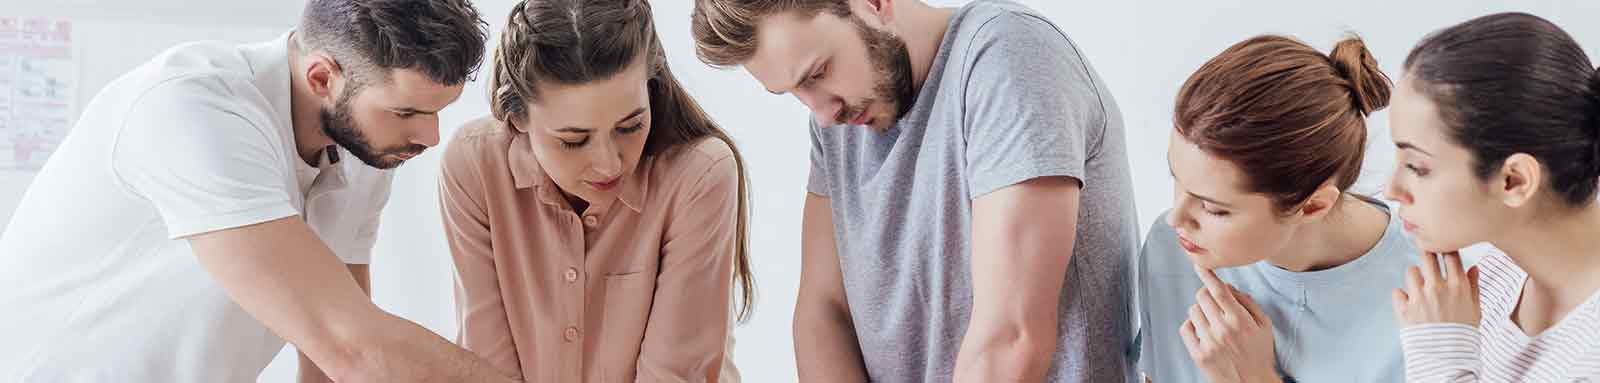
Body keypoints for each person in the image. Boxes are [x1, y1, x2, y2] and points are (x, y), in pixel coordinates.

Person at [0, 1, 521, 382]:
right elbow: (353, 346)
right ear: (322, 77)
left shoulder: (364, 145)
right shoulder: (191, 109)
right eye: (406, 112)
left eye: (436, 113)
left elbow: (335, 341)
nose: (429, 138)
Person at [691, 0, 1139, 381]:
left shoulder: (1007, 57)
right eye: (793, 92)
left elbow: (1011, 339)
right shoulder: (837, 125)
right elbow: (824, 313)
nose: (822, 112)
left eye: (817, 72)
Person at [439, 0, 754, 382]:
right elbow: (487, 366)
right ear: (517, 117)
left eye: (630, 127)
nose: (609, 164)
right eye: (573, 140)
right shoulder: (475, 164)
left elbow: (672, 374)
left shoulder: (700, 175)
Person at [1136, 35, 1418, 382]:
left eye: (1213, 208)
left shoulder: (1433, 297)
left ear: (1313, 205)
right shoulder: (1172, 250)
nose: (1175, 217)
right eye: (1176, 177)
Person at [1388, 12, 1600, 381]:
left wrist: (1441, 355)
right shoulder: (1495, 275)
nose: (1392, 190)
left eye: (1417, 167)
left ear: (1514, 180)